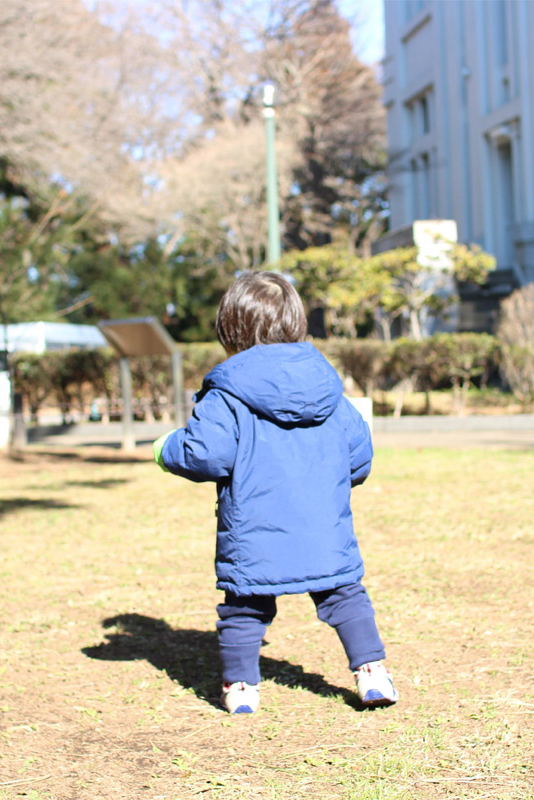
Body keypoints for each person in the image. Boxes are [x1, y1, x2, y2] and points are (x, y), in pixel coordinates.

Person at [153, 272, 397, 714]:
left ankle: (241, 689)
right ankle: (372, 673)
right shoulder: (328, 388)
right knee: (344, 594)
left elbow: (205, 453)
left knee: (244, 605)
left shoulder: (226, 393)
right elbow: (358, 453)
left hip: (254, 529)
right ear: (297, 322)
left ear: (231, 327)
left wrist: (166, 448)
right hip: (324, 526)